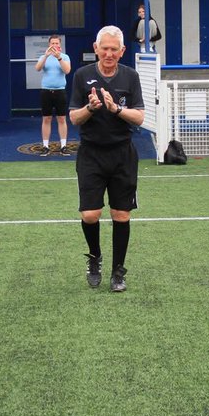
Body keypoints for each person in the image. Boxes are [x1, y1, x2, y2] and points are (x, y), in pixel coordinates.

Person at [68, 26, 145, 292]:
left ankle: (118, 272)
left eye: (115, 49)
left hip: (122, 154)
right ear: (96, 48)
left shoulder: (131, 77)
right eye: (105, 48)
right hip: (91, 153)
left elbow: (140, 117)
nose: (109, 53)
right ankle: (95, 258)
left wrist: (117, 109)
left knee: (120, 214)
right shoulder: (82, 76)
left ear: (122, 51)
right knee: (90, 214)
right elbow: (74, 118)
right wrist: (90, 107)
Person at [35, 35, 72, 156]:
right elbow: (37, 68)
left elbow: (67, 71)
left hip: (60, 91)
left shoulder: (65, 57)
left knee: (61, 118)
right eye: (52, 43)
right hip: (46, 91)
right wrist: (46, 56)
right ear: (49, 44)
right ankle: (45, 146)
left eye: (57, 43)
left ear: (60, 45)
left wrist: (59, 58)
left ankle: (63, 146)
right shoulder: (43, 57)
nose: (55, 45)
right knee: (46, 118)